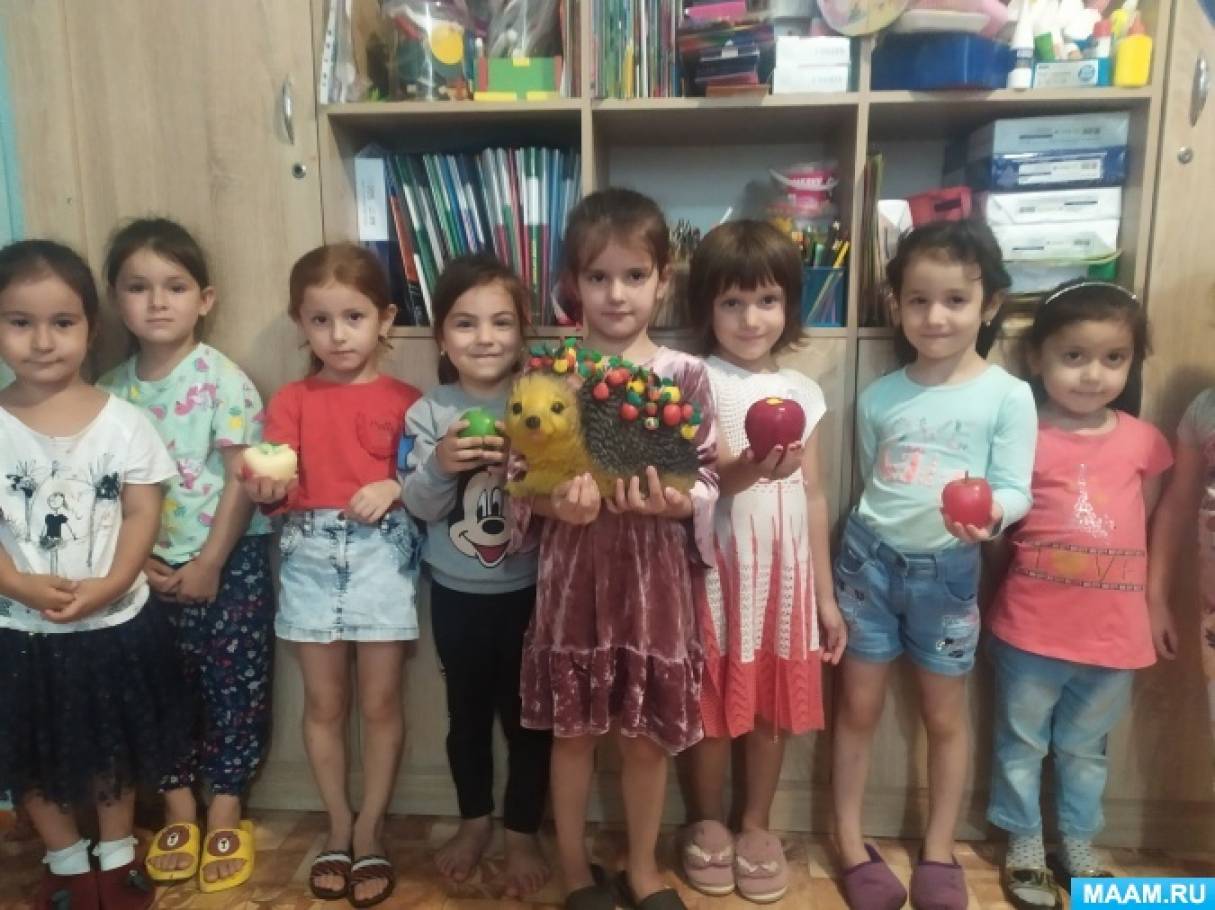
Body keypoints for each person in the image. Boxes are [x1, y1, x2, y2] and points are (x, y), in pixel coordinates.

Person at [509, 189, 718, 910]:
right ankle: (574, 867)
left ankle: (643, 867)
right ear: (573, 283)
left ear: (663, 279)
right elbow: (519, 478)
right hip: (574, 580)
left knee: (643, 739)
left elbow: (707, 477)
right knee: (572, 734)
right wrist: (553, 504)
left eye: (634, 275)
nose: (616, 294)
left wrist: (674, 501)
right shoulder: (549, 373)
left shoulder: (686, 375)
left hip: (653, 585)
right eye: (597, 277)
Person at [831, 221, 1037, 910]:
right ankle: (849, 841)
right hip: (867, 562)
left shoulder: (1007, 395)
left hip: (948, 574)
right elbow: (873, 481)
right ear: (896, 305)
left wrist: (991, 516)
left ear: (990, 304)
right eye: (917, 300)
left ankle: (940, 848)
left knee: (943, 715)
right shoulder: (879, 396)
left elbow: (1016, 487)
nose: (935, 316)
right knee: (857, 707)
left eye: (955, 299)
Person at [0, 240, 187, 910]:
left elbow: (142, 512)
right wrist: (17, 584)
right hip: (19, 632)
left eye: (62, 322)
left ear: (91, 327)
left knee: (113, 745)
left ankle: (116, 853)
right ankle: (65, 860)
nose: (42, 341)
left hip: (114, 625)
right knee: (29, 750)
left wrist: (110, 584)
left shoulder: (125, 423)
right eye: (19, 322)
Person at [243, 243, 422, 907]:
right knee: (324, 704)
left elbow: (427, 481)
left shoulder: (408, 400)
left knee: (380, 704)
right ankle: (338, 825)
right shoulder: (292, 398)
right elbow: (276, 483)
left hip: (382, 556)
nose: (337, 334)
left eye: (353, 317)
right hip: (309, 556)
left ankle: (371, 829)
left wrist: (395, 487)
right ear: (301, 323)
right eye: (320, 320)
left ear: (385, 319)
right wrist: (265, 487)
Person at [98, 218, 274, 892]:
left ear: (205, 299)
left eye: (174, 286)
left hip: (227, 564)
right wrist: (134, 562)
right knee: (156, 689)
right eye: (137, 287)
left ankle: (225, 808)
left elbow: (242, 478)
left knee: (235, 691)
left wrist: (209, 563)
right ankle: (178, 808)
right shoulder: (108, 392)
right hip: (138, 571)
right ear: (116, 300)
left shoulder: (224, 381)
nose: (157, 301)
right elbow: (102, 491)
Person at [988, 281, 1171, 907]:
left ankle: (1078, 842)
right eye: (1074, 356)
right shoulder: (1024, 435)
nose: (1094, 374)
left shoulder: (1144, 442)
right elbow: (999, 532)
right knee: (1021, 743)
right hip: (1031, 627)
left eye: (1113, 358)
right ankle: (1023, 842)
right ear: (1037, 357)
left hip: (1113, 634)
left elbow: (1147, 530)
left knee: (1085, 749)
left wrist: (1155, 605)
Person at [680, 220, 846, 903]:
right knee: (713, 708)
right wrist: (753, 466)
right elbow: (706, 481)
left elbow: (814, 493)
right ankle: (706, 821)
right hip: (720, 572)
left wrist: (825, 598)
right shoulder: (697, 379)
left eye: (767, 300)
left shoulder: (804, 391)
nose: (751, 319)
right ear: (706, 307)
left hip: (785, 578)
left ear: (790, 305)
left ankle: (756, 822)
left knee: (771, 707)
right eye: (732, 302)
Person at [400, 254, 551, 898]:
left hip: (531, 593)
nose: (485, 337)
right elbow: (418, 504)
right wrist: (441, 463)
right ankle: (474, 821)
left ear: (522, 332)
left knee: (529, 721)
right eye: (465, 323)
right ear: (441, 337)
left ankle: (522, 830)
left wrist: (527, 460)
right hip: (456, 595)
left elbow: (562, 496)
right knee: (466, 718)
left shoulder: (542, 402)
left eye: (501, 322)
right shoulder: (428, 413)